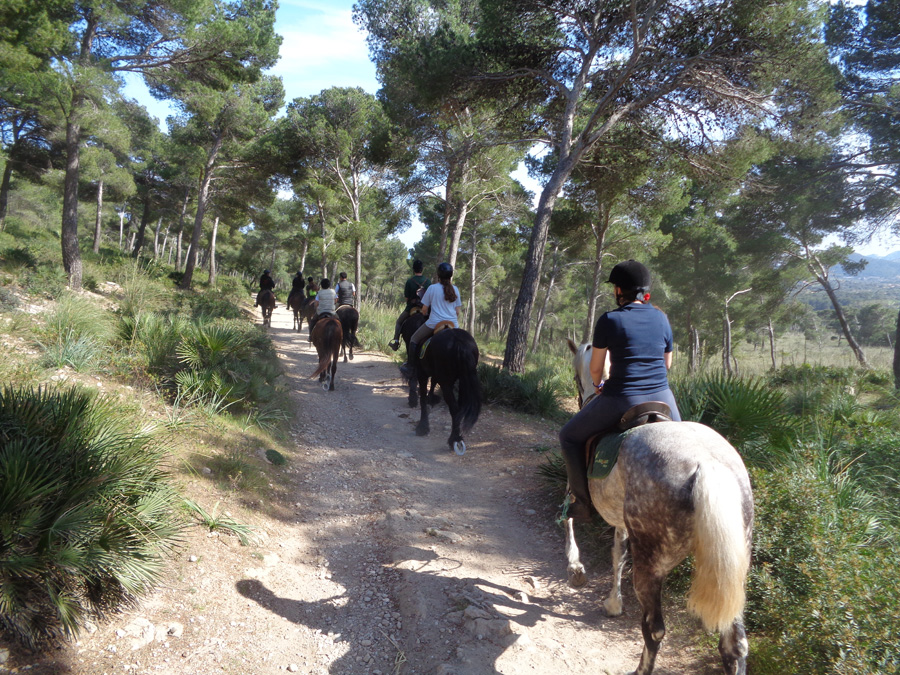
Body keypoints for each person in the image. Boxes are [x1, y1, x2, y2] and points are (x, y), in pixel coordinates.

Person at [559, 260, 682, 523]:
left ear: (618, 291)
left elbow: (595, 370)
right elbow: (667, 363)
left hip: (622, 397)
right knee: (686, 441)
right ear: (644, 292)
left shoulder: (610, 319)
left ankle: (581, 504)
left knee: (568, 436)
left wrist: (599, 385)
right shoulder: (662, 318)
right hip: (663, 397)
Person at [399, 262, 461, 380]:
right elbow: (457, 312)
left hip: (434, 323)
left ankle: (410, 366)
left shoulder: (432, 288)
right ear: (450, 275)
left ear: (439, 275)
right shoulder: (456, 289)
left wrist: (425, 313)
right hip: (453, 325)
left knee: (413, 339)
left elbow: (424, 309)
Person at [388, 259, 431, 351]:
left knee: (399, 321)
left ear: (413, 269)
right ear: (422, 269)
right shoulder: (428, 281)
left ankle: (396, 341)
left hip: (412, 308)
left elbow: (407, 298)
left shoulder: (409, 281)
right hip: (425, 308)